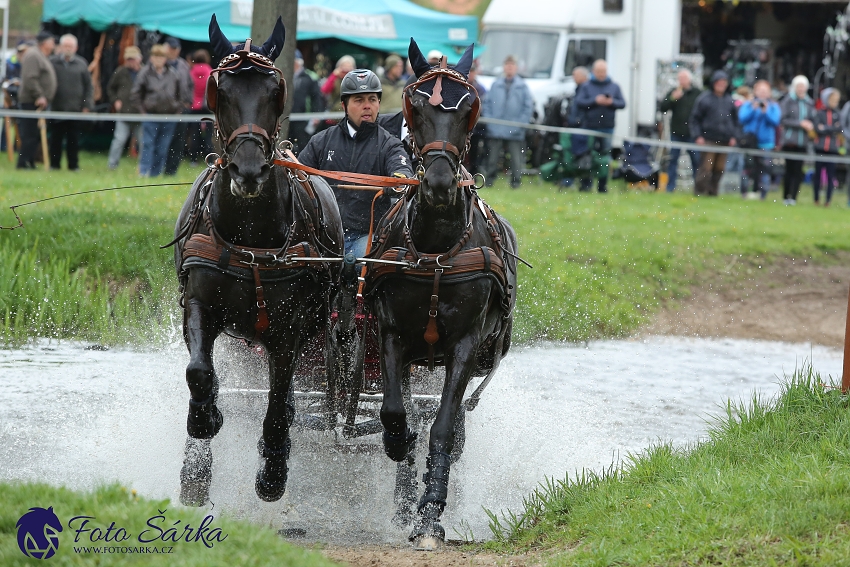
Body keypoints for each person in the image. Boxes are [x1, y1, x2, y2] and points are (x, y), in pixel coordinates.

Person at [298, 69, 413, 257]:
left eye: (372, 99)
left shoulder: (390, 145)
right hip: (321, 235)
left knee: (361, 266)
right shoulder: (321, 141)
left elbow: (402, 169)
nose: (367, 106)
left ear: (379, 103)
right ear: (344, 105)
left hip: (366, 236)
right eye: (359, 100)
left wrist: (400, 178)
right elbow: (298, 175)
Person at [131, 44, 186, 177]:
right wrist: (143, 111)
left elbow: (181, 94)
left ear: (165, 59)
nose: (158, 60)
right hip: (150, 115)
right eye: (156, 56)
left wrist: (177, 109)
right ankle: (144, 172)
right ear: (151, 58)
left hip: (169, 117)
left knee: (163, 147)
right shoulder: (144, 73)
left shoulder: (174, 74)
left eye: (161, 57)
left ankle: (155, 173)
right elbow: (136, 94)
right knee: (148, 144)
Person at [573, 59, 626, 193]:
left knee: (604, 157)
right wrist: (595, 101)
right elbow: (579, 102)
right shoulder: (586, 86)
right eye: (599, 71)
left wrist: (611, 102)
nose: (601, 74)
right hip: (589, 127)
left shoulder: (614, 86)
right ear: (594, 72)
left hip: (607, 127)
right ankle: (586, 184)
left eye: (604, 71)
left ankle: (602, 186)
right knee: (587, 156)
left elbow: (622, 103)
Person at [482, 54, 534, 189]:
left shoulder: (522, 86)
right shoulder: (495, 84)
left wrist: (519, 125)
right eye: (507, 65)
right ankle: (489, 180)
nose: (509, 68)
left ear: (516, 68)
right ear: (504, 67)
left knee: (516, 159)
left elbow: (527, 108)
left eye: (512, 65)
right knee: (492, 157)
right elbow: (486, 104)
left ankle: (516, 182)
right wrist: (490, 122)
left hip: (515, 129)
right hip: (496, 128)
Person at [47, 34, 93, 171]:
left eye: (70, 46)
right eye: (65, 46)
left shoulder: (82, 63)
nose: (68, 49)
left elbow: (89, 87)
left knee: (73, 140)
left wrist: (87, 105)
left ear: (76, 48)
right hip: (57, 108)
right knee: (55, 139)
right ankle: (54, 165)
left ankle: (73, 166)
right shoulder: (53, 62)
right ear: (61, 47)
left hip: (75, 110)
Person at [689, 70, 737, 197]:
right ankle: (699, 191)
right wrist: (697, 135)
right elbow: (695, 119)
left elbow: (736, 121)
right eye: (719, 82)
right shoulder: (704, 99)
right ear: (714, 83)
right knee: (706, 167)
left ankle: (713, 192)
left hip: (725, 139)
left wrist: (734, 136)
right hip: (708, 139)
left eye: (724, 83)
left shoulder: (729, 101)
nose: (721, 85)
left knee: (719, 168)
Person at [17, 31, 56, 170]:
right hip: (31, 101)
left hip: (39, 102)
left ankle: (31, 161)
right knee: (29, 134)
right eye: (52, 42)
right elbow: (30, 78)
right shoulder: (33, 55)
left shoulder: (41, 55)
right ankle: (23, 163)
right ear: (44, 43)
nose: (53, 45)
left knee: (36, 135)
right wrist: (39, 95)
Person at [737, 80, 780, 200]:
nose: (762, 93)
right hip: (750, 143)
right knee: (747, 168)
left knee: (764, 169)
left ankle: (763, 194)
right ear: (755, 92)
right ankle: (745, 192)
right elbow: (742, 118)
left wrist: (766, 112)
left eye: (765, 91)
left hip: (766, 143)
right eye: (760, 91)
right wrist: (753, 109)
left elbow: (775, 121)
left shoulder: (773, 106)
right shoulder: (748, 104)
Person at [659, 69, 701, 192]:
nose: (681, 81)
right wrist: (673, 98)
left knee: (696, 161)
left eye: (684, 78)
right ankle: (670, 188)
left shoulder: (697, 93)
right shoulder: (674, 92)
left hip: (692, 133)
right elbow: (663, 107)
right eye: (680, 79)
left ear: (689, 79)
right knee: (673, 160)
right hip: (676, 133)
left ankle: (697, 189)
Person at [779, 75, 815, 206]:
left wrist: (810, 125)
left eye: (803, 87)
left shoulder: (809, 102)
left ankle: (794, 197)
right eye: (799, 86)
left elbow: (812, 118)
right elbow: (783, 119)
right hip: (790, 140)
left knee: (798, 171)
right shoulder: (788, 101)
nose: (801, 89)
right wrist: (800, 123)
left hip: (803, 141)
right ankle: (785, 196)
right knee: (789, 170)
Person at [106, 45, 143, 170]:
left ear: (139, 59)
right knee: (119, 140)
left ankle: (144, 167)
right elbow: (110, 88)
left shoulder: (145, 72)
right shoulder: (120, 71)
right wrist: (115, 100)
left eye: (132, 59)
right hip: (124, 112)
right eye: (128, 59)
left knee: (143, 142)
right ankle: (112, 165)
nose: (130, 62)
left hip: (140, 113)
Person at [163, 37, 194, 175]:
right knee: (162, 140)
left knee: (178, 141)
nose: (173, 51)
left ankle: (172, 170)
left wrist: (188, 101)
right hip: (164, 110)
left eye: (175, 49)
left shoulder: (183, 65)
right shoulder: (160, 63)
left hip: (182, 110)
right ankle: (157, 169)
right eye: (171, 48)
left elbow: (190, 85)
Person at [813, 87, 843, 206]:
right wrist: (830, 129)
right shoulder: (820, 113)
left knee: (831, 177)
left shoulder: (838, 114)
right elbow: (817, 128)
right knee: (818, 176)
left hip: (832, 149)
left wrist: (824, 128)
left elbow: (838, 128)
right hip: (820, 148)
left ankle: (828, 200)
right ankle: (816, 199)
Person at [290, 49, 325, 153]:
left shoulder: (310, 78)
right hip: (287, 119)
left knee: (303, 149)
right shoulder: (284, 76)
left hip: (303, 120)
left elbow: (316, 99)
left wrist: (316, 116)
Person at [187, 49, 213, 165]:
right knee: (209, 134)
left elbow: (188, 89)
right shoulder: (210, 71)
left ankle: (193, 159)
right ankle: (210, 159)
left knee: (194, 134)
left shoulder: (191, 72)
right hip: (206, 107)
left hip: (194, 107)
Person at [467, 61, 488, 175]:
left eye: (472, 71)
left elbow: (484, 107)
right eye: (469, 71)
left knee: (475, 152)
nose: (470, 74)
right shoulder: (460, 86)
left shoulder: (480, 89)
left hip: (476, 128)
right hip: (461, 127)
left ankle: (473, 174)